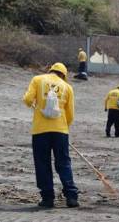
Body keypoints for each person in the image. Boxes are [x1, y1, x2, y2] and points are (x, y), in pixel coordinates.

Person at [23, 62, 79, 208]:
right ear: (63, 75)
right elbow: (70, 114)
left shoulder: (37, 79)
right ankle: (71, 196)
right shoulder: (67, 87)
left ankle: (48, 198)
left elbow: (28, 100)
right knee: (64, 163)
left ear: (51, 71)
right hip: (60, 131)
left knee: (42, 163)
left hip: (40, 130)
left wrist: (35, 105)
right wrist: (64, 128)